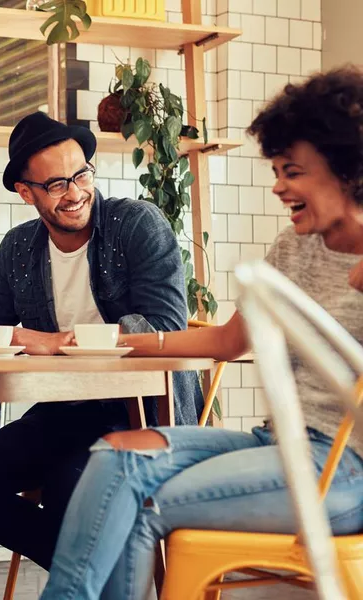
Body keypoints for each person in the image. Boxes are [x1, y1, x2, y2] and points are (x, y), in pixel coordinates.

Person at [41, 66, 363, 600]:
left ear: (347, 168)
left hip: (345, 470)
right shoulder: (295, 246)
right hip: (280, 443)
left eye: (294, 172)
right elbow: (226, 341)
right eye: (277, 170)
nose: (280, 186)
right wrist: (112, 341)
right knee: (117, 457)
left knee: (137, 501)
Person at [0, 111, 203, 571]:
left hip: (140, 412)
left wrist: (58, 342)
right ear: (27, 192)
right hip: (62, 410)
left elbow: (166, 327)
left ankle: (97, 575)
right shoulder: (18, 248)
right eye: (57, 184)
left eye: (81, 174)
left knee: (70, 488)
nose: (76, 193)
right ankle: (100, 572)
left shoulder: (137, 224)